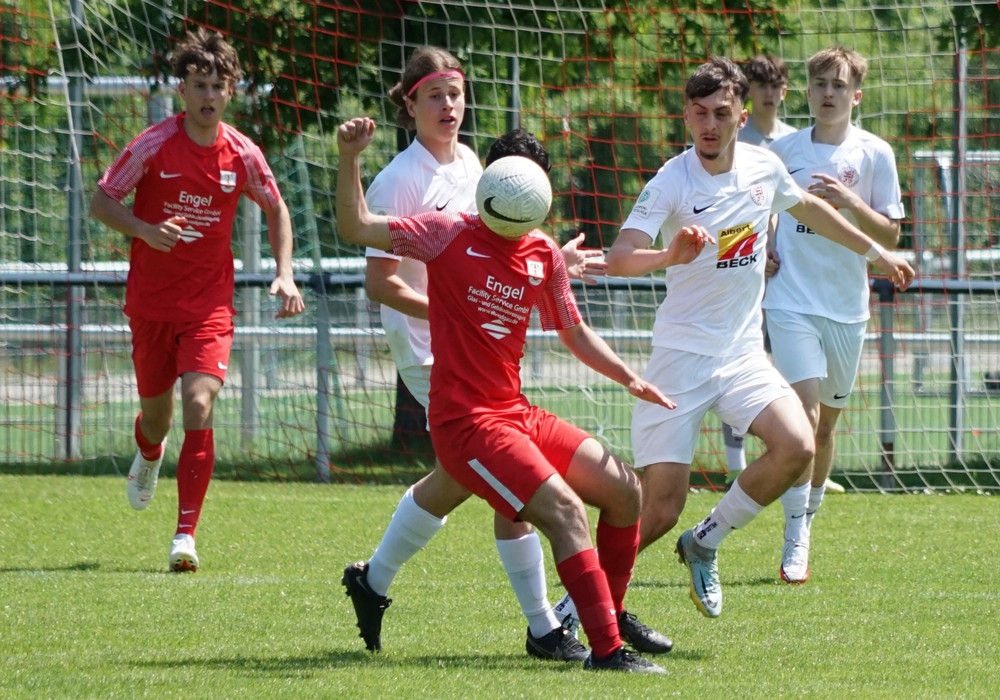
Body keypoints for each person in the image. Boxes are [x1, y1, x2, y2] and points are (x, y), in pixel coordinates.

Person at [337, 118, 671, 673]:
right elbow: (357, 226)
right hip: (466, 423)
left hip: (514, 412)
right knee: (564, 511)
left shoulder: (543, 252)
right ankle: (607, 651)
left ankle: (603, 618)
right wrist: (350, 157)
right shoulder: (442, 232)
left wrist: (628, 376)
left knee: (625, 491)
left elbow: (573, 331)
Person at [603, 56, 913, 619]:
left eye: (722, 113)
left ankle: (705, 541)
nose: (710, 125)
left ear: (742, 117)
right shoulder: (671, 180)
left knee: (799, 444)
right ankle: (574, 608)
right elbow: (620, 257)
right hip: (680, 357)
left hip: (742, 354)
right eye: (700, 113)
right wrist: (669, 256)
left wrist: (878, 253)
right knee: (662, 508)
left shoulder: (764, 166)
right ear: (685, 116)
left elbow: (811, 208)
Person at [357, 46, 617, 663]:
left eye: (455, 94)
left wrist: (551, 266)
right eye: (434, 96)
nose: (448, 105)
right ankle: (543, 628)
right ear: (410, 105)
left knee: (465, 476)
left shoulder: (476, 165)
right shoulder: (399, 178)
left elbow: (497, 249)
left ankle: (372, 581)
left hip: (475, 347)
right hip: (430, 352)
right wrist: (455, 313)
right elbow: (380, 283)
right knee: (511, 476)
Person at [89, 29, 305, 572]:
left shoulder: (243, 153)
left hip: (209, 306)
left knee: (199, 404)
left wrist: (284, 273)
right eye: (199, 85)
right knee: (157, 420)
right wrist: (144, 229)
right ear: (182, 90)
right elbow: (102, 199)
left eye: (218, 85)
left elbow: (276, 208)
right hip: (151, 304)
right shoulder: (152, 145)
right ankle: (149, 451)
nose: (209, 95)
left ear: (230, 91)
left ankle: (184, 535)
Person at [761, 46, 905, 583]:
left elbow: (891, 233)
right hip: (790, 299)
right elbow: (766, 208)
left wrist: (850, 201)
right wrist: (766, 243)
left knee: (824, 432)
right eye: (820, 83)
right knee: (804, 417)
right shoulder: (783, 150)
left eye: (838, 85)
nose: (828, 93)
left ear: (855, 95)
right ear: (807, 91)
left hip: (846, 307)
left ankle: (808, 516)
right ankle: (794, 536)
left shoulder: (875, 153)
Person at [722, 54, 847, 495]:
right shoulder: (732, 137)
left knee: (793, 379)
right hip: (745, 274)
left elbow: (795, 208)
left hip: (793, 282)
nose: (770, 94)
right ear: (747, 94)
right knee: (738, 362)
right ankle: (736, 464)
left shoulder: (795, 142)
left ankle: (801, 462)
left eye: (776, 86)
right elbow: (732, 210)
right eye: (761, 85)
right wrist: (749, 256)